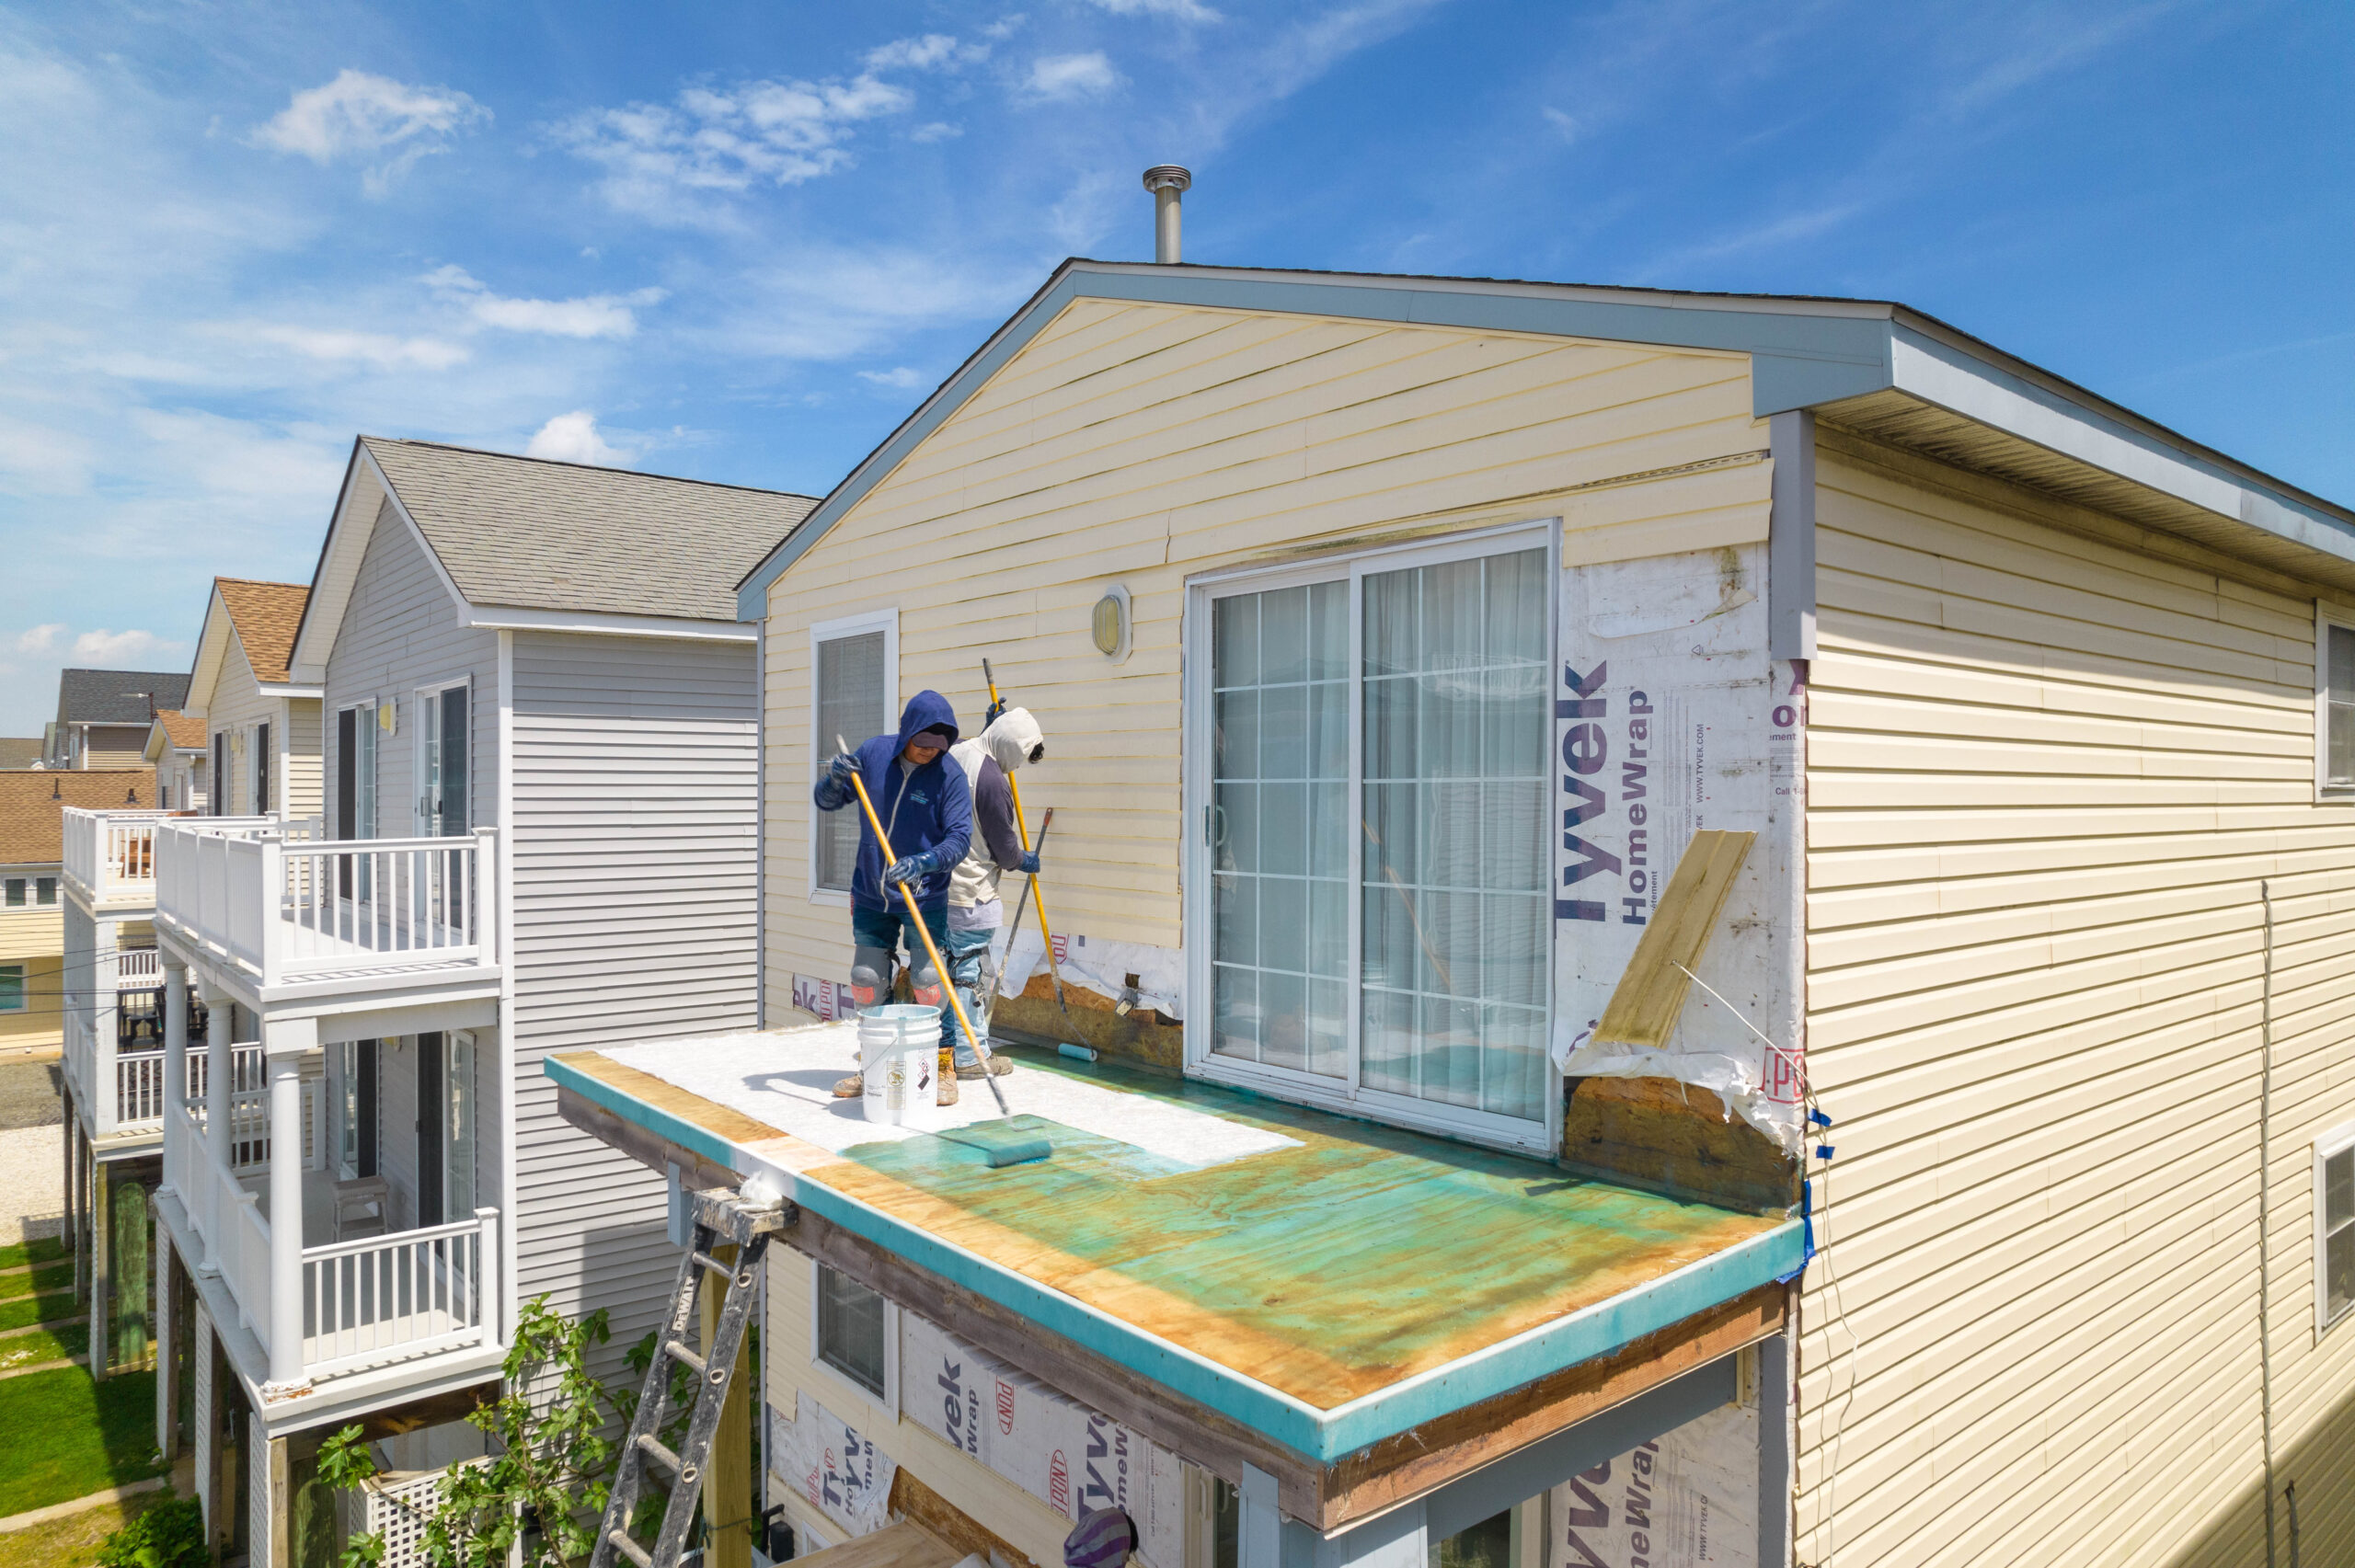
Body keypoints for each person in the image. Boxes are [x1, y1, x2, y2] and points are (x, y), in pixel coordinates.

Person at [813, 691, 972, 1104]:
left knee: (929, 983)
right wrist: (834, 778)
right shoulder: (874, 755)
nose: (927, 755)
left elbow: (960, 839)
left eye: (937, 749)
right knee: (867, 981)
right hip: (871, 893)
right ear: (905, 735)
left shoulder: (949, 776)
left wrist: (925, 861)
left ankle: (942, 1068)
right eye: (921, 746)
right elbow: (826, 801)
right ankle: (873, 1066)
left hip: (925, 897)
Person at [945, 705, 1047, 1080]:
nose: (1013, 769)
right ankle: (972, 1056)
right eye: (1017, 760)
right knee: (972, 975)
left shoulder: (956, 751)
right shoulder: (992, 781)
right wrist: (1026, 860)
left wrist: (987, 727)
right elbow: (1005, 853)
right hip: (971, 894)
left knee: (944, 974)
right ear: (1007, 748)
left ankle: (945, 1054)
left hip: (937, 889)